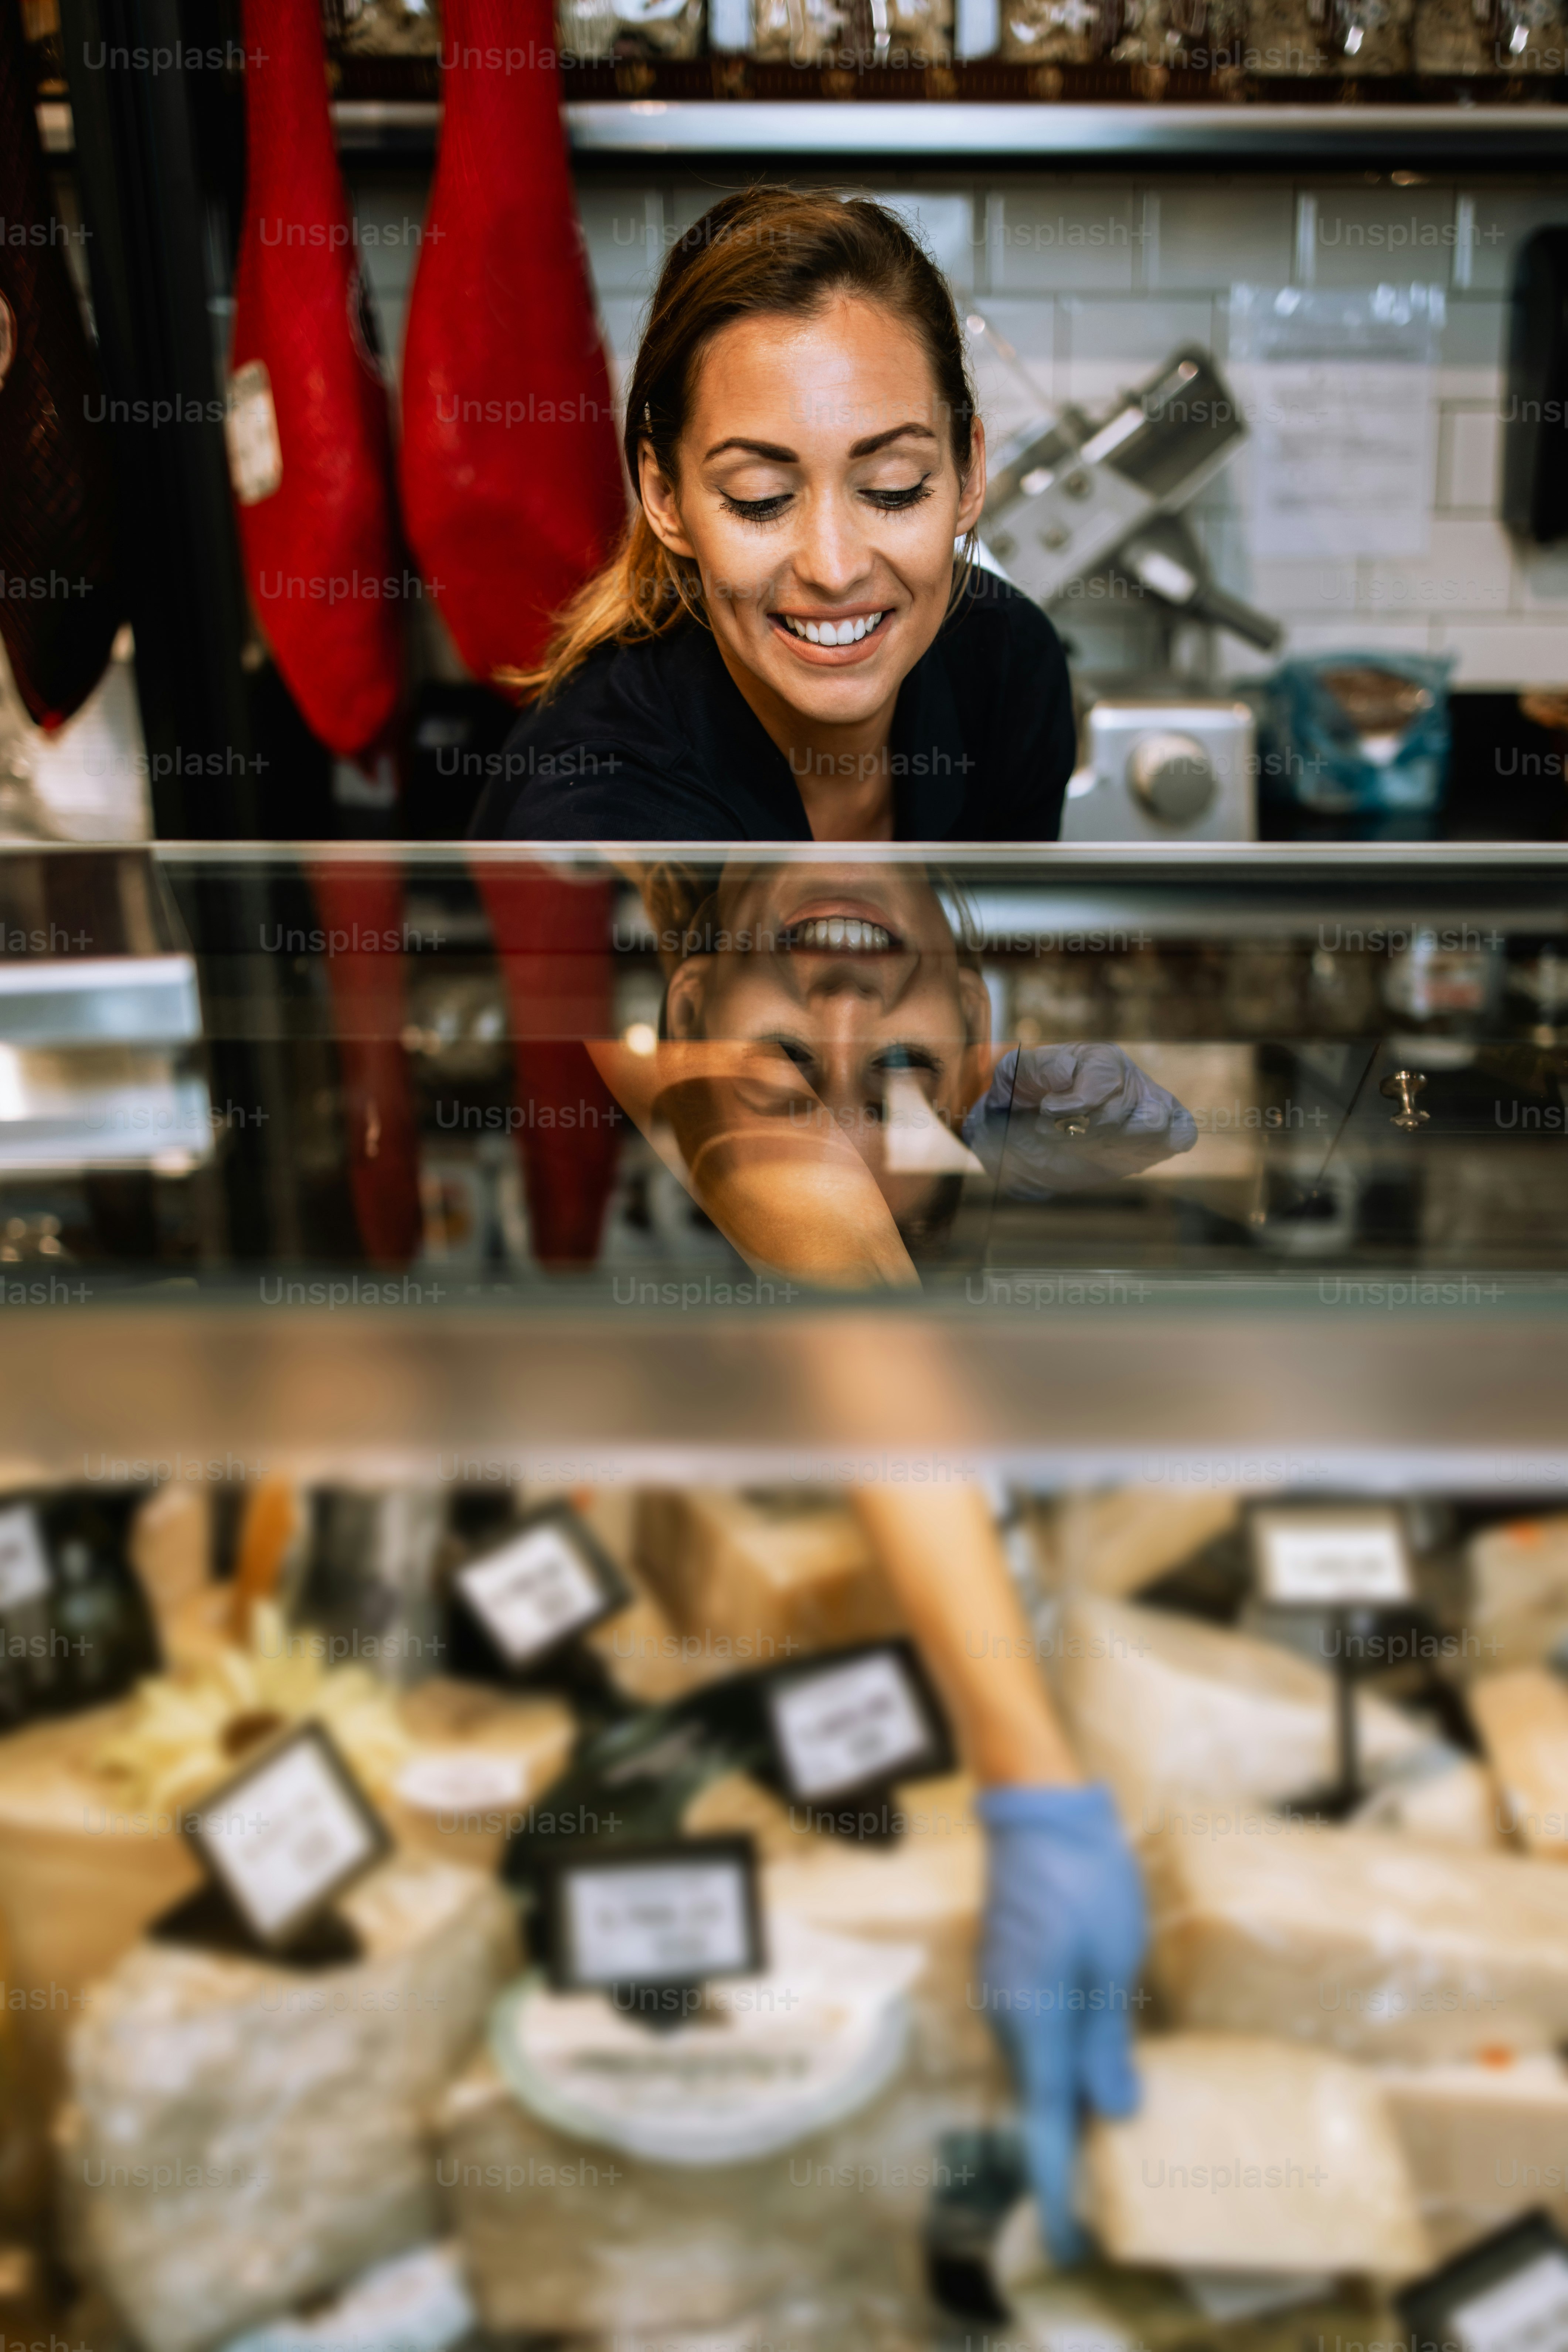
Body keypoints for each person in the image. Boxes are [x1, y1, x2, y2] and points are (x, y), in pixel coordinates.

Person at [469, 188, 1076, 844]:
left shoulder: (1010, 663)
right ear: (665, 497)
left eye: (892, 487)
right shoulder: (595, 811)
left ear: (969, 475)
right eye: (761, 497)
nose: (835, 569)